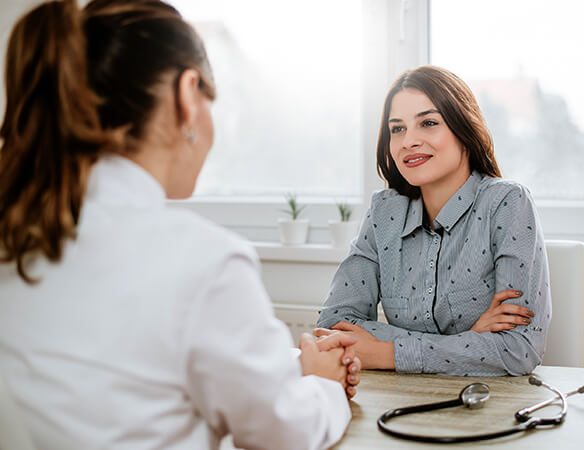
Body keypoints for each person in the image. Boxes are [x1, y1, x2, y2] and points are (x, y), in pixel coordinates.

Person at [0, 1, 359, 449]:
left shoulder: (20, 235)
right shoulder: (202, 261)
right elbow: (285, 434)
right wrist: (323, 384)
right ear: (188, 96)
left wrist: (291, 364)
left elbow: (133, 367)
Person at [316, 65, 551, 377]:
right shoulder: (384, 212)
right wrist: (467, 342)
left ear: (464, 130)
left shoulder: (508, 204)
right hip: (404, 401)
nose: (409, 141)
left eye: (427, 123)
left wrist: (387, 353)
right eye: (397, 128)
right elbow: (333, 326)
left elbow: (520, 349)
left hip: (489, 408)